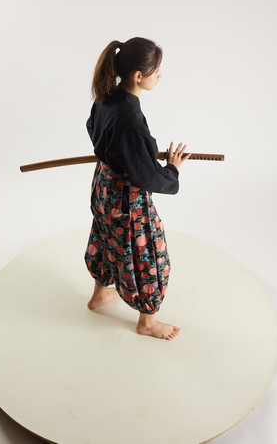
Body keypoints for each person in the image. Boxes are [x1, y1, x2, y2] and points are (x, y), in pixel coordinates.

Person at [85, 37, 191, 340]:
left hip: (104, 186)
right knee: (149, 253)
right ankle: (147, 321)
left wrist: (120, 153)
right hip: (126, 198)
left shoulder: (107, 96)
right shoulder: (129, 117)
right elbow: (146, 176)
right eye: (156, 70)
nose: (160, 76)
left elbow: (93, 130)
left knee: (107, 237)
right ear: (138, 75)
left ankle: (99, 296)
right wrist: (171, 170)